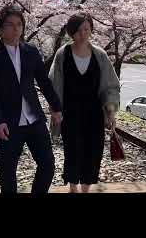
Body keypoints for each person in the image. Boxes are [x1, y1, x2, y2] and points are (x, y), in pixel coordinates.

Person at [0, 6, 62, 194]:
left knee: (48, 164)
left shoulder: (31, 51)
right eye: (10, 24)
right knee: (8, 171)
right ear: (1, 29)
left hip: (34, 119)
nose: (16, 29)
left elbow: (44, 81)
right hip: (9, 122)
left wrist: (56, 107)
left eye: (19, 24)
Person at [48, 12, 120, 193]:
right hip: (70, 113)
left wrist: (110, 111)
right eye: (79, 30)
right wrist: (55, 110)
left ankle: (86, 188)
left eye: (87, 29)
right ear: (71, 32)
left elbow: (109, 85)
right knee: (72, 151)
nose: (83, 33)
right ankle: (73, 187)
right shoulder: (62, 54)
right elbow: (54, 83)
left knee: (93, 151)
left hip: (94, 113)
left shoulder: (100, 55)